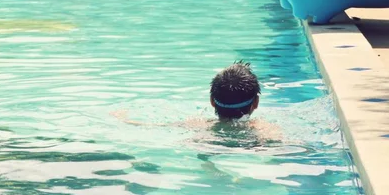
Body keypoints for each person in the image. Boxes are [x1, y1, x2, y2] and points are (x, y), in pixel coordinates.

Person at [111, 61, 280, 141]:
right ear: (255, 103)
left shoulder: (198, 126)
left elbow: (151, 126)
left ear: (212, 101)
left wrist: (122, 118)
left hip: (209, 143)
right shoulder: (265, 131)